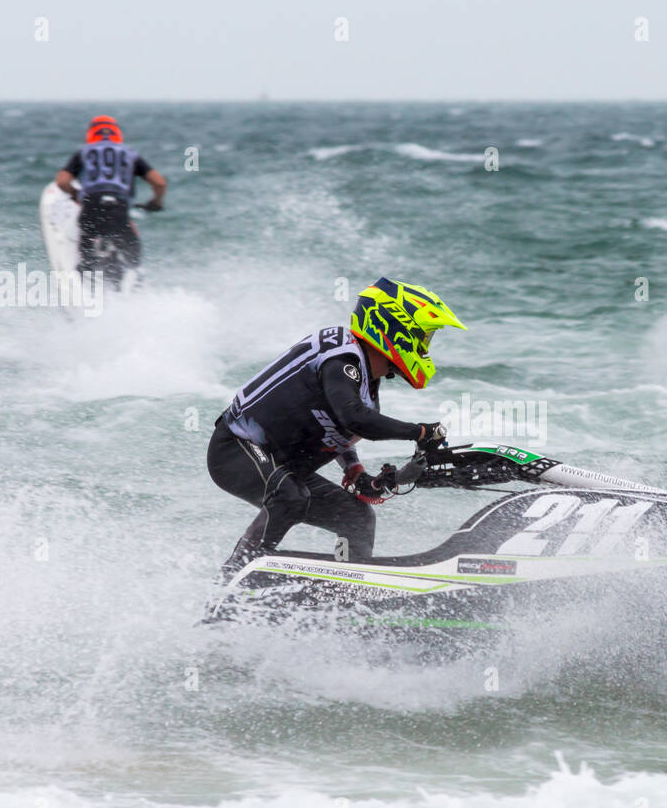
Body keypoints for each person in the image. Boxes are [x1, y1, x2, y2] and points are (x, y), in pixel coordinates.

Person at [207, 278, 465, 576]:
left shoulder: (366, 381)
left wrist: (353, 469)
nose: (424, 348)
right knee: (290, 497)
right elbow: (352, 417)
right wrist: (419, 432)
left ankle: (344, 591)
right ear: (395, 328)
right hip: (236, 450)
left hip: (280, 466)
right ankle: (235, 576)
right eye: (423, 338)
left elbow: (335, 421)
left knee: (356, 517)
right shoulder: (342, 353)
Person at [54, 116, 167, 286]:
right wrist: (156, 202)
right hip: (119, 211)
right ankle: (134, 286)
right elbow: (159, 182)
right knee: (132, 257)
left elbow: (62, 181)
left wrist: (75, 194)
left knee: (87, 252)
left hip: (91, 207)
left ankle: (84, 282)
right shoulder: (130, 154)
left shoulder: (84, 152)